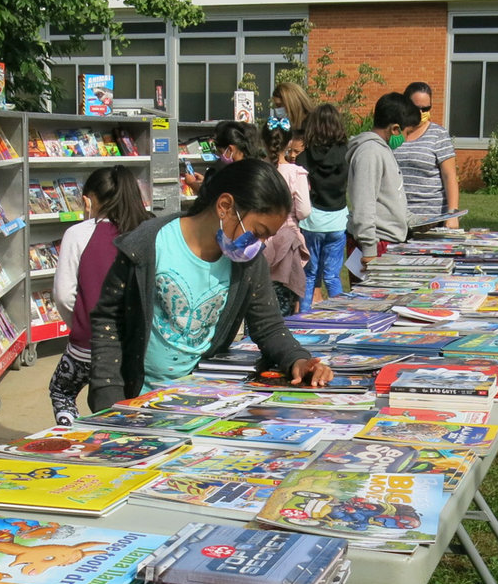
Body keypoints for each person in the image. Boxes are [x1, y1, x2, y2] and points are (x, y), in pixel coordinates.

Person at [87, 159, 334, 412]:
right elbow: (108, 321)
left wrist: (298, 359)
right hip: (140, 399)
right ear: (225, 206)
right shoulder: (146, 246)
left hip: (202, 400)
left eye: (266, 237)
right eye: (258, 232)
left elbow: (268, 326)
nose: (260, 244)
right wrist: (109, 395)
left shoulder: (247, 263)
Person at [49, 166, 152, 424]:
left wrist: (81, 323)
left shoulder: (78, 234)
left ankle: (73, 437)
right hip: (139, 344)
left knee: (61, 391)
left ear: (88, 201)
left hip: (89, 345)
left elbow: (63, 295)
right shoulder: (149, 229)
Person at [347, 92, 419, 266]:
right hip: (375, 244)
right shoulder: (370, 152)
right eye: (407, 133)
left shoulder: (383, 150)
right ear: (395, 129)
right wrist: (369, 249)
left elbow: (391, 197)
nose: (407, 139)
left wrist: (417, 222)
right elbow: (364, 204)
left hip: (388, 240)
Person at [294, 103, 349, 310]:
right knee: (332, 275)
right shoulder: (347, 154)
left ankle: (304, 318)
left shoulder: (304, 157)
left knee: (309, 275)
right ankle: (341, 317)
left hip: (312, 222)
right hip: (338, 221)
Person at [261, 117, 311, 316]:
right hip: (287, 243)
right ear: (290, 142)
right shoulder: (295, 173)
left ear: (263, 142)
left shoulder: (258, 170)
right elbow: (305, 210)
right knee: (284, 301)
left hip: (260, 242)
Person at [396, 82, 461, 228]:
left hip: (431, 218)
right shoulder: (394, 133)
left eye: (426, 108)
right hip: (397, 218)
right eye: (416, 108)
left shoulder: (438, 134)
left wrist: (452, 214)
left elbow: (449, 176)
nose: (421, 112)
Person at [184, 120, 266, 196]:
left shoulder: (230, 173)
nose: (220, 156)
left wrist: (192, 183)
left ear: (230, 149)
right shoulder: (257, 168)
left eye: (220, 152)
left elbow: (209, 198)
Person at [270, 83, 316, 154]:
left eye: (279, 105)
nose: (277, 110)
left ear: (291, 103)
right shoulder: (289, 125)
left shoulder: (314, 125)